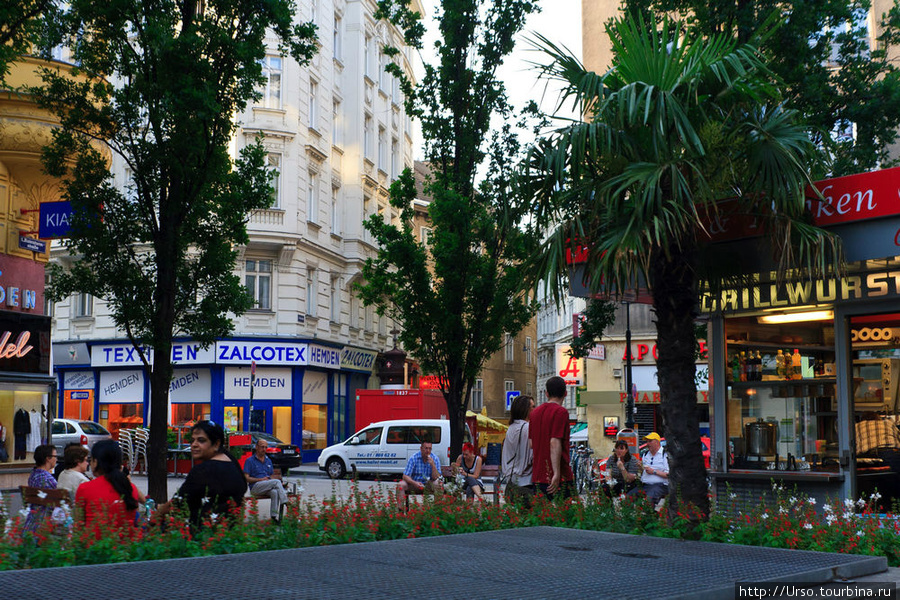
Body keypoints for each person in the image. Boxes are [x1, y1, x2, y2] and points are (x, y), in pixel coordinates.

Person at [156, 420, 247, 529]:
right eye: (192, 440)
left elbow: (178, 502)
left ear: (216, 444)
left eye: (201, 440)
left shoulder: (203, 470)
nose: (194, 445)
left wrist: (158, 512)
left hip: (204, 537)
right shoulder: (232, 462)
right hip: (231, 534)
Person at [75, 439, 141, 537]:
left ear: (96, 462)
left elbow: (78, 526)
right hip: (127, 549)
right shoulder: (130, 488)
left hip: (94, 549)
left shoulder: (85, 488)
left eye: (91, 460)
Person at [530, 376, 574, 500]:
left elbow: (531, 444)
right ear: (565, 393)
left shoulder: (534, 413)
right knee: (566, 515)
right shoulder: (561, 412)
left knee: (542, 515)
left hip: (538, 475)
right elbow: (554, 442)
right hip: (560, 476)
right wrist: (556, 473)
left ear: (546, 393)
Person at [244, 438, 289, 522]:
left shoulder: (268, 460)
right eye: (262, 447)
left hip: (267, 486)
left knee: (274, 492)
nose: (264, 449)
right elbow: (246, 478)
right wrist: (260, 479)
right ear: (256, 447)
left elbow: (271, 476)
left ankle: (273, 517)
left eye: (265, 447)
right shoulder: (250, 461)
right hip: (255, 487)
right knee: (276, 482)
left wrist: (279, 484)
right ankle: (285, 502)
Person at [501, 394, 535, 506]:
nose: (535, 410)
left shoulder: (511, 428)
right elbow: (531, 455)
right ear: (525, 410)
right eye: (532, 407)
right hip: (525, 481)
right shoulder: (527, 427)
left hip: (511, 481)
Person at [396, 440, 443, 509]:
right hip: (415, 484)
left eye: (430, 448)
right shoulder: (413, 458)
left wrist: (433, 465)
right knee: (401, 485)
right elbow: (405, 476)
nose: (428, 451)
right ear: (421, 448)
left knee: (438, 484)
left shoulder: (435, 459)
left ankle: (438, 510)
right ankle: (400, 511)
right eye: (426, 448)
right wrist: (414, 483)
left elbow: (436, 477)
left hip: (429, 484)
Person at [23, 444, 58, 532]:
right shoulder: (48, 479)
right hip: (44, 522)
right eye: (55, 456)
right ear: (48, 458)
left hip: (31, 521)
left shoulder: (33, 475)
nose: (56, 459)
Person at [635, 432, 669, 506]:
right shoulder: (646, 454)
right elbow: (643, 472)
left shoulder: (665, 454)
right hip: (645, 485)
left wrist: (654, 471)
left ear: (657, 442)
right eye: (647, 441)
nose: (647, 443)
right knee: (628, 497)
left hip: (660, 485)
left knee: (649, 501)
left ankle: (651, 516)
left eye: (650, 441)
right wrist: (640, 467)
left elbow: (669, 474)